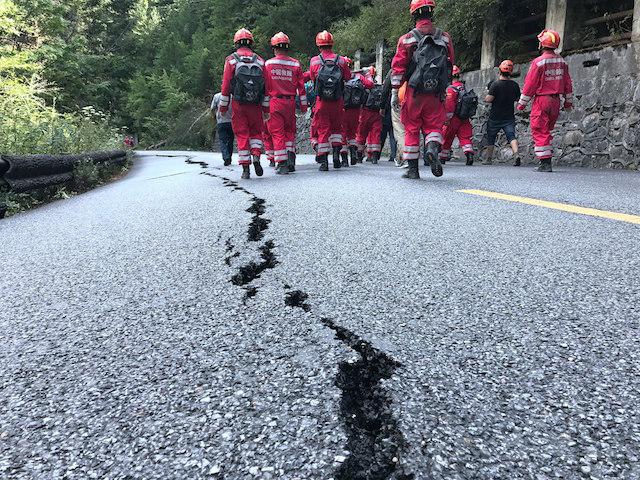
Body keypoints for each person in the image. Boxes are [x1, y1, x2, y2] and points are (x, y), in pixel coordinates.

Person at [391, 0, 455, 179]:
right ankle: (432, 148)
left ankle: (413, 170)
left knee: (411, 128)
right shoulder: (444, 37)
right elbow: (450, 64)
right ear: (432, 13)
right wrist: (443, 88)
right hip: (435, 92)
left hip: (414, 92)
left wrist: (396, 91)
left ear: (414, 14)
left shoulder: (407, 39)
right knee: (434, 126)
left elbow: (398, 69)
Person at [517, 29, 573, 172]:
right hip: (556, 101)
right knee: (546, 130)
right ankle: (545, 160)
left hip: (542, 100)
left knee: (539, 129)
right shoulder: (562, 62)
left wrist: (522, 104)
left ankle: (545, 163)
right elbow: (567, 83)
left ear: (542, 44)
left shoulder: (538, 62)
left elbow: (530, 84)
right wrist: (568, 102)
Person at [219, 28, 268, 180]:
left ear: (236, 43)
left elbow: (226, 86)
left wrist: (223, 106)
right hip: (256, 104)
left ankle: (246, 168)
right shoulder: (260, 60)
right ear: (251, 43)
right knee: (255, 133)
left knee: (242, 134)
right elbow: (266, 86)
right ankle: (256, 157)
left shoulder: (231, 60)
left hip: (239, 104)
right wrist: (266, 107)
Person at [264, 32, 307, 175]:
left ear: (274, 48)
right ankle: (290, 159)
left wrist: (263, 106)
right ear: (287, 47)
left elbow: (264, 87)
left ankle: (282, 163)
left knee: (277, 133)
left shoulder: (268, 64)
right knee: (289, 132)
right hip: (290, 103)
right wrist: (304, 106)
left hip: (275, 102)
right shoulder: (295, 64)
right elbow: (301, 87)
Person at [309, 30, 352, 171]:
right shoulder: (341, 60)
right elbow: (347, 77)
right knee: (336, 130)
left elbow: (313, 79)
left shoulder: (315, 61)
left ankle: (324, 162)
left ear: (318, 45)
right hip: (337, 100)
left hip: (322, 101)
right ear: (331, 44)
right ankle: (336, 155)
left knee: (323, 129)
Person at [484, 59, 521, 166]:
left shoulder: (495, 85)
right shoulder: (514, 85)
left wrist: (487, 95)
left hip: (495, 117)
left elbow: (489, 99)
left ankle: (488, 159)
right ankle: (516, 154)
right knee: (511, 136)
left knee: (491, 137)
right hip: (509, 116)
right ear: (510, 72)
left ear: (499, 71)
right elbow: (517, 99)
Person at [440, 65, 475, 166]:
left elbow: (450, 104)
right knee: (465, 137)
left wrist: (447, 118)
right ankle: (469, 154)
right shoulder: (464, 87)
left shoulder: (451, 89)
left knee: (447, 137)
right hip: (464, 117)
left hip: (453, 118)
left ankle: (442, 157)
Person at [342, 60, 374, 166]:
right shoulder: (358, 77)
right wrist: (368, 74)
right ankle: (353, 154)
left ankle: (345, 160)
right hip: (356, 110)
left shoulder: (339, 76)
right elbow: (370, 84)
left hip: (342, 110)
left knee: (342, 134)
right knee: (352, 134)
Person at [356, 66, 384, 164]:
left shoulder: (364, 82)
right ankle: (374, 156)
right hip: (376, 113)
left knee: (361, 133)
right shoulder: (379, 86)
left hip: (365, 112)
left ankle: (359, 156)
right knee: (375, 134)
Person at [211, 92, 234, 166]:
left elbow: (212, 108)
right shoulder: (233, 96)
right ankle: (229, 157)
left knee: (222, 140)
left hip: (221, 121)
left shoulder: (217, 96)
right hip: (232, 122)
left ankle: (226, 156)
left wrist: (214, 117)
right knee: (230, 140)